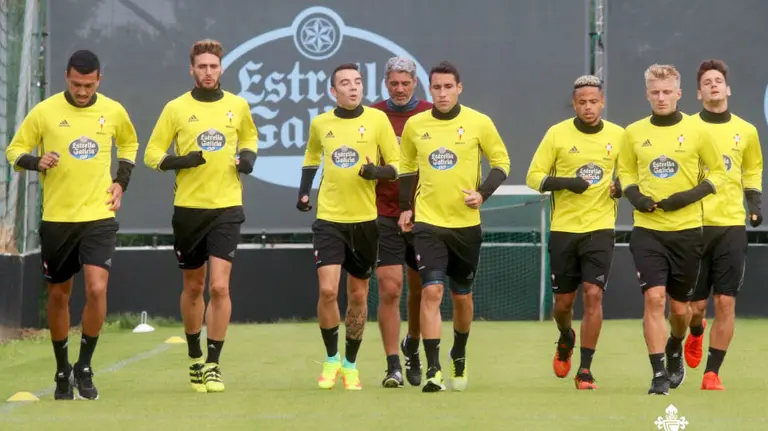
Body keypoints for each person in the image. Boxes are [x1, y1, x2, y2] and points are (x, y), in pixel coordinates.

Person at [5, 50, 139, 400]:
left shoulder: (112, 110)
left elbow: (129, 143)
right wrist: (38, 161)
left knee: (96, 289)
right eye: (76, 84)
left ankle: (85, 366)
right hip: (57, 220)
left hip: (98, 216)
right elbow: (14, 151)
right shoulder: (45, 112)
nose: (82, 91)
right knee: (58, 294)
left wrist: (120, 181)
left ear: (99, 80)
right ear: (66, 77)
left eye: (88, 84)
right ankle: (62, 368)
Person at [143, 39, 258, 393]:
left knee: (220, 286)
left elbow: (250, 139)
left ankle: (213, 363)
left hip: (226, 207)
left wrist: (248, 158)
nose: (208, 72)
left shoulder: (237, 106)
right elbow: (151, 153)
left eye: (213, 66)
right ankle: (194, 354)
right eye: (202, 67)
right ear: (191, 70)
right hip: (189, 210)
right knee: (193, 287)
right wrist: (182, 161)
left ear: (221, 69)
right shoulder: (176, 108)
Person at [398, 61, 510, 392]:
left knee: (462, 298)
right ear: (428, 90)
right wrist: (406, 208)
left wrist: (482, 193)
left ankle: (458, 353)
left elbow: (502, 162)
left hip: (466, 227)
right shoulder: (416, 125)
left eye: (448, 87)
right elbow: (406, 167)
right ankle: (433, 369)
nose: (442, 93)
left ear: (459, 88)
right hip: (428, 224)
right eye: (437, 88)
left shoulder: (479, 122)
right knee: (431, 290)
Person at [617, 64, 726, 395]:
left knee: (681, 311)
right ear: (647, 94)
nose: (661, 98)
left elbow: (719, 173)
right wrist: (634, 195)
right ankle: (658, 374)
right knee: (654, 298)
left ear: (679, 94)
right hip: (648, 231)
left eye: (667, 92)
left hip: (688, 230)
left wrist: (687, 197)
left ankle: (675, 345)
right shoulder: (633, 132)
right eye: (655, 93)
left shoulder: (697, 131)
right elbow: (625, 171)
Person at [297, 63, 400, 391]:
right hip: (329, 219)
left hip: (365, 222)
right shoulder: (320, 123)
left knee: (357, 295)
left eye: (357, 82)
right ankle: (331, 359)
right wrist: (303, 191)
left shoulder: (377, 120)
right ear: (333, 91)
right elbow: (312, 158)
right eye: (345, 83)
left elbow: (397, 166)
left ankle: (351, 365)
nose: (353, 87)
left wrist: (376, 174)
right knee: (327, 290)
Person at [525, 75, 625, 390]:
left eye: (593, 101)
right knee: (563, 305)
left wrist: (620, 187)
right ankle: (566, 336)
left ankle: (585, 369)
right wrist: (567, 182)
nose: (588, 107)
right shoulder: (557, 134)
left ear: (602, 101)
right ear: (574, 103)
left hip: (599, 228)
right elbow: (533, 177)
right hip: (564, 230)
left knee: (593, 295)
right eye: (582, 102)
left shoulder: (619, 136)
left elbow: (632, 177)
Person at [683, 59, 763, 390]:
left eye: (718, 81)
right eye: (707, 82)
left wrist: (754, 203)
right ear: (699, 93)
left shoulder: (746, 131)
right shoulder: (686, 128)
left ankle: (712, 373)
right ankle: (696, 331)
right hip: (695, 225)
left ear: (727, 88)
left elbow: (752, 168)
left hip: (730, 225)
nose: (714, 85)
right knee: (695, 307)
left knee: (726, 301)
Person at [369, 57, 432, 388]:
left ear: (415, 83)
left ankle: (413, 346)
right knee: (390, 289)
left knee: (420, 289)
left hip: (424, 215)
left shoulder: (430, 114)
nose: (400, 88)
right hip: (384, 212)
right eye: (394, 83)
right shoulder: (373, 115)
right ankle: (393, 364)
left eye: (406, 83)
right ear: (385, 83)